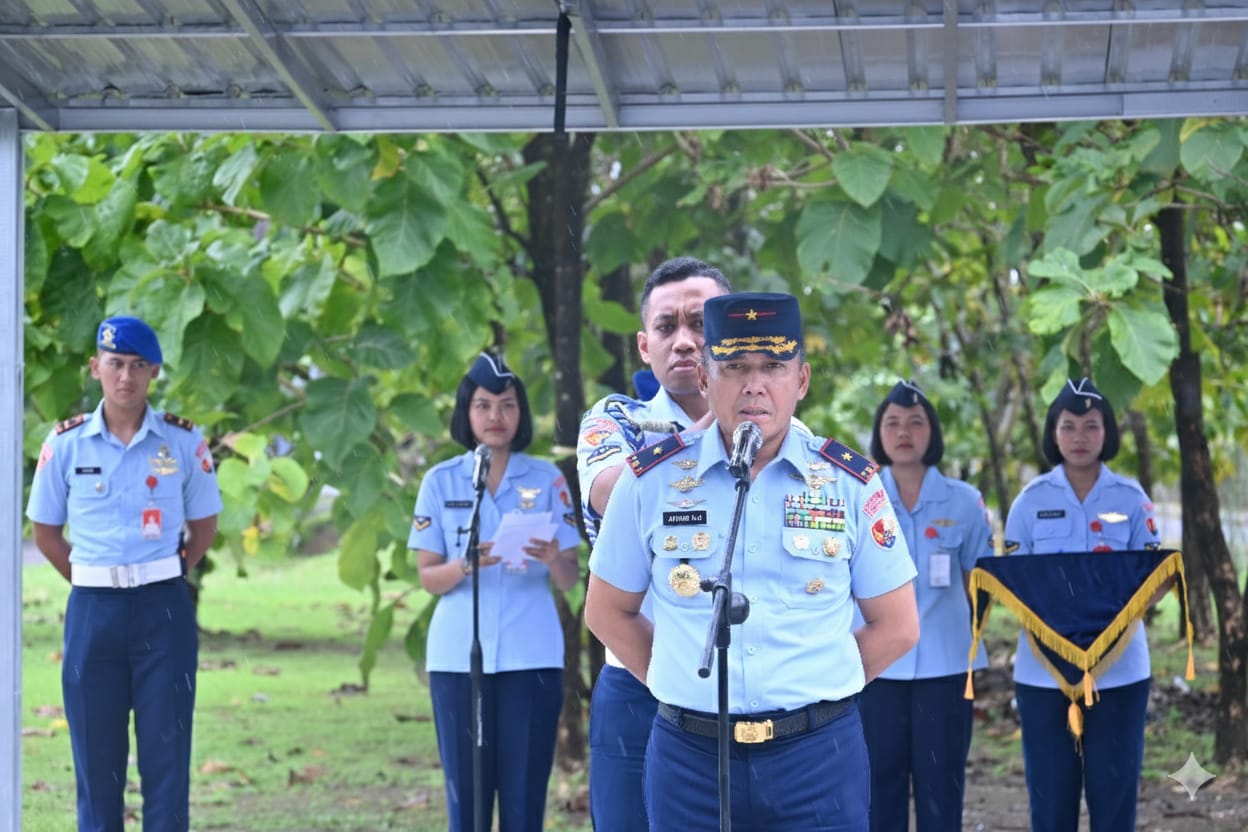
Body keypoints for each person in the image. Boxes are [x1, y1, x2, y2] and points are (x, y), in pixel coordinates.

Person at [585, 292, 920, 832]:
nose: (754, 385)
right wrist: (679, 687)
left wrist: (817, 689)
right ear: (705, 378)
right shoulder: (651, 481)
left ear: (802, 381)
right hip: (689, 758)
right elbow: (606, 612)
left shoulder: (848, 483)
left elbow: (898, 626)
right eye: (735, 367)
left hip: (818, 758)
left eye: (773, 367)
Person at [26, 315, 222, 831]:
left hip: (163, 609)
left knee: (167, 757)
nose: (126, 377)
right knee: (96, 761)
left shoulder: (182, 442)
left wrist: (164, 573)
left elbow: (203, 526)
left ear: (154, 371)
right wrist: (95, 580)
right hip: (93, 612)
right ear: (96, 368)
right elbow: (45, 532)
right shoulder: (66, 444)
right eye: (115, 364)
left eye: (138, 366)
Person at [576, 256, 731, 831]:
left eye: (701, 325)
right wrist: (707, 431)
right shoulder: (617, 420)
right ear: (645, 346)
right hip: (638, 678)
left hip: (745, 685)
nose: (685, 342)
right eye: (668, 328)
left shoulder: (774, 427)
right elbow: (607, 492)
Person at [408, 351, 581, 832]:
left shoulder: (547, 478)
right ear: (466, 413)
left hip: (532, 655)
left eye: (507, 405)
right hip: (458, 656)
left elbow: (570, 578)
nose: (495, 417)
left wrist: (552, 558)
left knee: (525, 798)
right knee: (468, 799)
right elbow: (427, 576)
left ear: (521, 413)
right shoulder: (441, 481)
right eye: (483, 405)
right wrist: (466, 564)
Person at [1003, 377, 1162, 832]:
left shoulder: (1132, 500)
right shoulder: (1029, 503)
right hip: (1042, 672)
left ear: (1107, 433)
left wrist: (1106, 629)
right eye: (1068, 426)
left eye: (1091, 427)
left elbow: (1155, 578)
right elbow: (1013, 582)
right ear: (1053, 432)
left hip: (1120, 672)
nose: (1079, 438)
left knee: (1114, 800)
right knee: (1051, 800)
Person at [857, 380, 994, 832]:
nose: (904, 432)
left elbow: (984, 579)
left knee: (942, 787)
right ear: (879, 433)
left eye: (916, 422)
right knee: (880, 788)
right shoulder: (860, 496)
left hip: (947, 666)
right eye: (892, 423)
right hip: (875, 667)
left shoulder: (965, 502)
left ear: (932, 432)